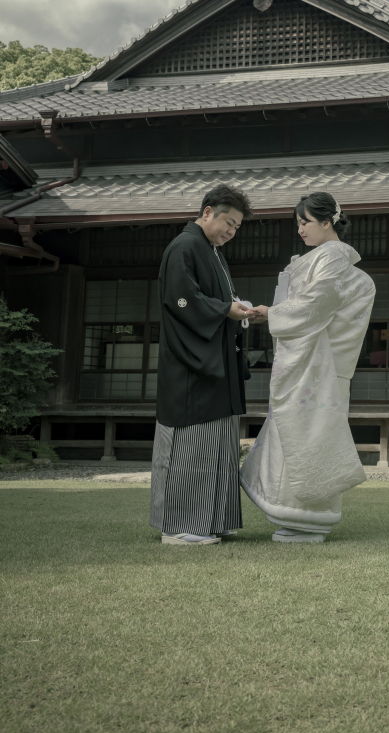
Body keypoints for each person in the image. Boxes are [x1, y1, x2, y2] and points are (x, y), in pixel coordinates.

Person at [239, 192, 376, 543]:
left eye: (305, 222)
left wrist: (273, 313)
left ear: (327, 222)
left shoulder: (330, 258)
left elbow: (318, 304)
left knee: (304, 435)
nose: (300, 230)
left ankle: (304, 517)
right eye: (298, 223)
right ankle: (305, 517)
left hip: (315, 365)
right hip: (323, 366)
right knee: (308, 435)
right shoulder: (332, 260)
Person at [150, 184, 257, 546]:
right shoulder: (185, 246)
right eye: (228, 221)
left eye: (237, 227)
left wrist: (233, 306)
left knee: (219, 444)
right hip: (191, 366)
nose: (231, 231)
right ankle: (181, 526)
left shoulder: (210, 250)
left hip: (213, 362)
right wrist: (224, 308)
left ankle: (212, 518)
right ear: (207, 212)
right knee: (191, 445)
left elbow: (213, 299)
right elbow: (181, 299)